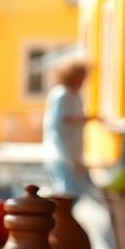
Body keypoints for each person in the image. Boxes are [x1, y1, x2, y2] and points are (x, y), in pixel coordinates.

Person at [43, 58, 98, 201]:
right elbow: (56, 124)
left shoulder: (75, 95)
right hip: (61, 154)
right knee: (67, 195)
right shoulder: (62, 95)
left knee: (78, 192)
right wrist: (85, 119)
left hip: (74, 153)